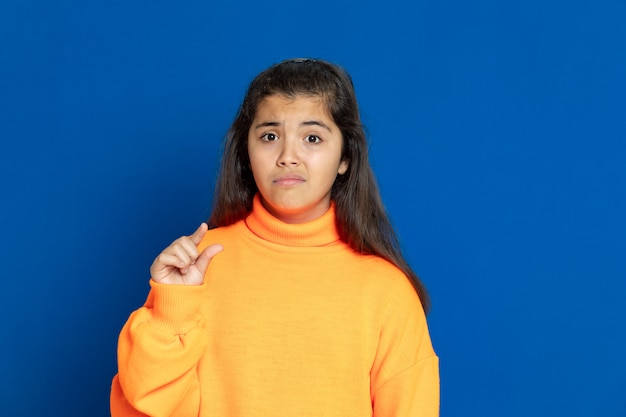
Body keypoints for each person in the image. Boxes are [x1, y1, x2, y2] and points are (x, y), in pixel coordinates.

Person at [110, 58, 439, 417]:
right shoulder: (198, 266)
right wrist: (171, 312)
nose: (287, 157)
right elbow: (141, 409)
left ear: (345, 157)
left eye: (312, 138)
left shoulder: (387, 292)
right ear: (245, 154)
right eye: (270, 136)